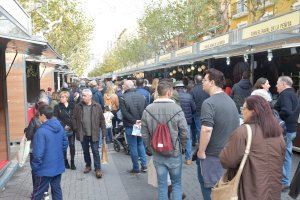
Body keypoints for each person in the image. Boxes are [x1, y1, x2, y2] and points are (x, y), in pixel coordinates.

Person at [220, 95, 285, 200]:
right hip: (273, 190)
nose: (242, 112)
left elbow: (227, 161)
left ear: (253, 111)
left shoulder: (243, 131)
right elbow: (281, 158)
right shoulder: (277, 132)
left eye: (244, 108)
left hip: (250, 190)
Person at [197, 68, 240, 200]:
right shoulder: (230, 101)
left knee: (209, 190)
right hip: (228, 155)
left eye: (204, 80)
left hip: (212, 156)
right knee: (222, 191)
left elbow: (206, 129)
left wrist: (201, 151)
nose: (202, 83)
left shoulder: (209, 103)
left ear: (212, 82)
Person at [141, 80, 187, 200]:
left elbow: (144, 133)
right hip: (174, 153)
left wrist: (149, 147)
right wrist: (182, 147)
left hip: (157, 153)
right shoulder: (177, 109)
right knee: (176, 184)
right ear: (169, 92)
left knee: (162, 186)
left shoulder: (148, 110)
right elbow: (184, 132)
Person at [31, 105, 68, 200]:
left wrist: (35, 168)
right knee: (56, 190)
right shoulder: (59, 126)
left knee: (37, 193)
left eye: (39, 115)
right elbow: (65, 143)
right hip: (57, 165)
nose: (38, 117)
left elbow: (38, 154)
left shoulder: (41, 131)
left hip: (44, 169)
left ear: (43, 115)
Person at [72, 89, 106, 178]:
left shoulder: (97, 106)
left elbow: (102, 120)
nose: (82, 97)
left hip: (94, 133)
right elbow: (74, 118)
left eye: (85, 96)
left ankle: (98, 169)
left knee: (95, 151)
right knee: (85, 151)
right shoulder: (78, 106)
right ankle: (88, 165)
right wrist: (76, 128)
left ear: (90, 96)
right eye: (82, 95)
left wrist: (104, 132)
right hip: (83, 133)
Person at [274, 76, 300, 191]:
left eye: (277, 84)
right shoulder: (294, 94)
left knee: (279, 156)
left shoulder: (285, 94)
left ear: (284, 84)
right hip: (292, 129)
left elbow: (286, 110)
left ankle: (284, 181)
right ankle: (285, 181)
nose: (276, 86)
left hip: (285, 130)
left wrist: (275, 116)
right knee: (287, 155)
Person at [120, 80, 147, 174]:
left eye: (124, 85)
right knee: (140, 144)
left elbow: (124, 113)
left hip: (130, 125)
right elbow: (145, 110)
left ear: (126, 87)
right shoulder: (141, 96)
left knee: (133, 146)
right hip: (140, 124)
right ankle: (144, 165)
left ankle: (136, 168)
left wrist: (134, 121)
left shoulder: (123, 97)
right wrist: (140, 120)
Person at [25, 101, 48, 192]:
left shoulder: (34, 120)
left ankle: (36, 190)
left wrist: (26, 130)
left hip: (35, 149)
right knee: (45, 170)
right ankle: (45, 190)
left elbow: (29, 135)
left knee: (35, 171)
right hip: (47, 150)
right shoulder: (51, 119)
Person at [175, 81, 196, 165]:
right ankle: (188, 158)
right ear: (183, 88)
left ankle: (178, 158)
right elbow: (194, 108)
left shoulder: (173, 97)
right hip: (187, 121)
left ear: (176, 88)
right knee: (187, 139)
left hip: (176, 121)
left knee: (176, 138)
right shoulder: (189, 96)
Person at [54, 91, 76, 170]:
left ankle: (72, 162)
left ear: (67, 98)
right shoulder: (57, 107)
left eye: (63, 97)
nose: (61, 98)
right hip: (62, 129)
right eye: (60, 97)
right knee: (64, 146)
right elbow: (56, 118)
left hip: (72, 128)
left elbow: (75, 116)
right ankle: (65, 161)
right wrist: (64, 125)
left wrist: (71, 126)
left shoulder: (72, 106)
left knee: (72, 145)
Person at [191, 75, 209, 146]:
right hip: (207, 111)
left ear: (195, 80)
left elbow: (191, 102)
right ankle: (206, 144)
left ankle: (200, 145)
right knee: (207, 128)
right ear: (202, 81)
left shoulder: (193, 90)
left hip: (197, 112)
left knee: (199, 129)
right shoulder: (206, 88)